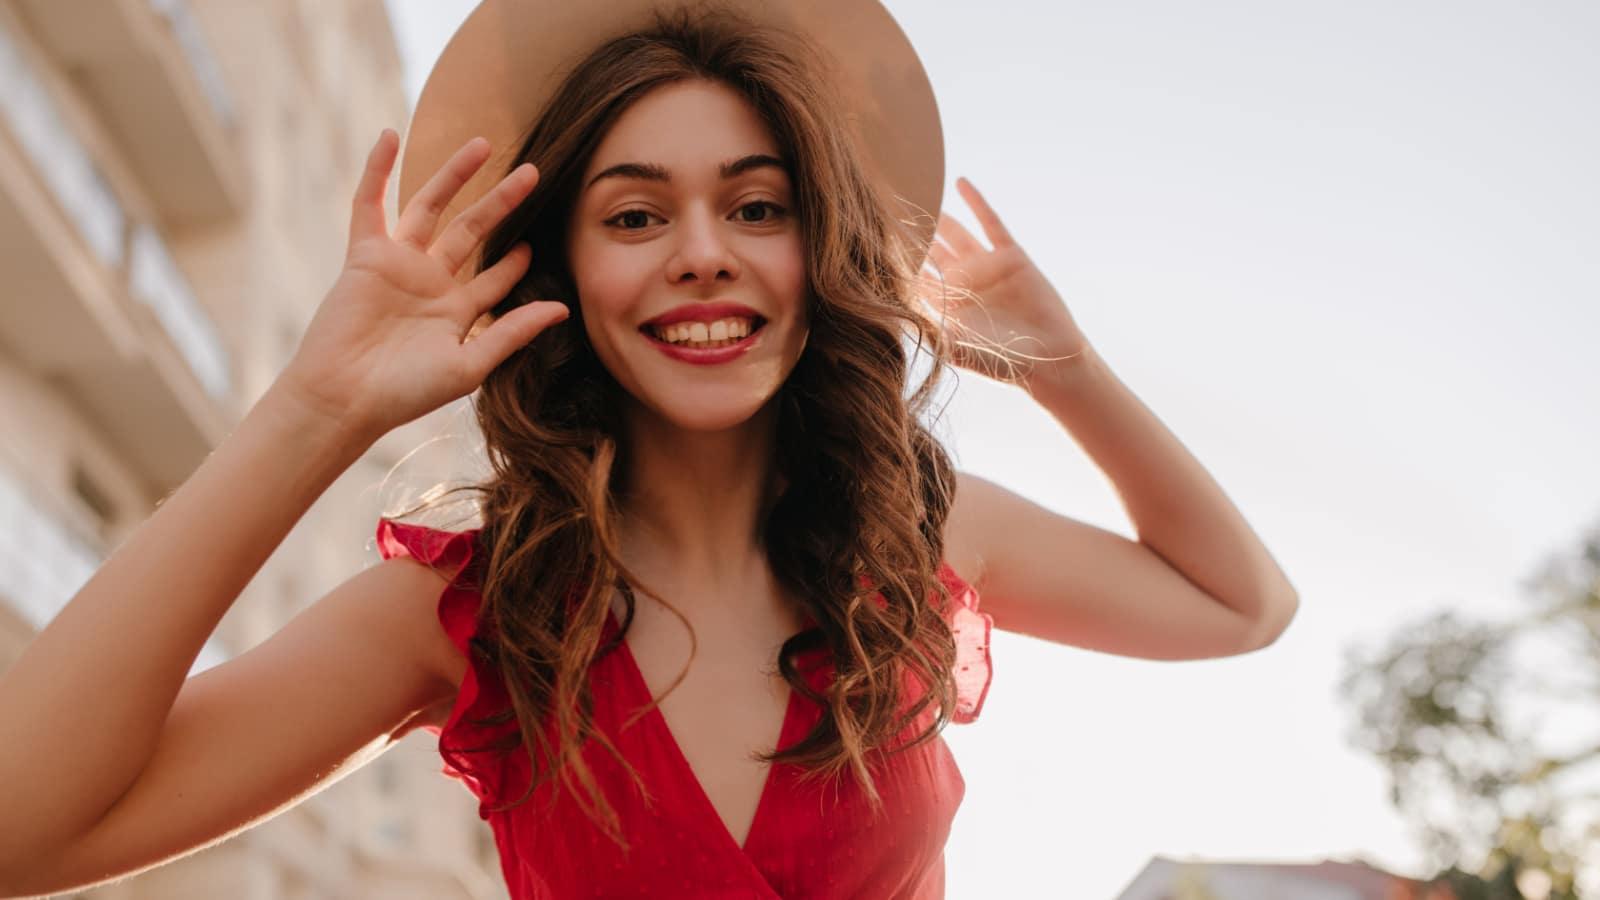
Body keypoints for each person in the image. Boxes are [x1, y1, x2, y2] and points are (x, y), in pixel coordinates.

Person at [0, 1, 1299, 897]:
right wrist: (314, 411)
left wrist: (1063, 368)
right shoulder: (466, 614)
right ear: (559, 267)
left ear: (816, 255)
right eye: (634, 213)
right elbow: (20, 830)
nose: (702, 248)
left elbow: (1241, 606)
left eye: (756, 204)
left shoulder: (923, 540)